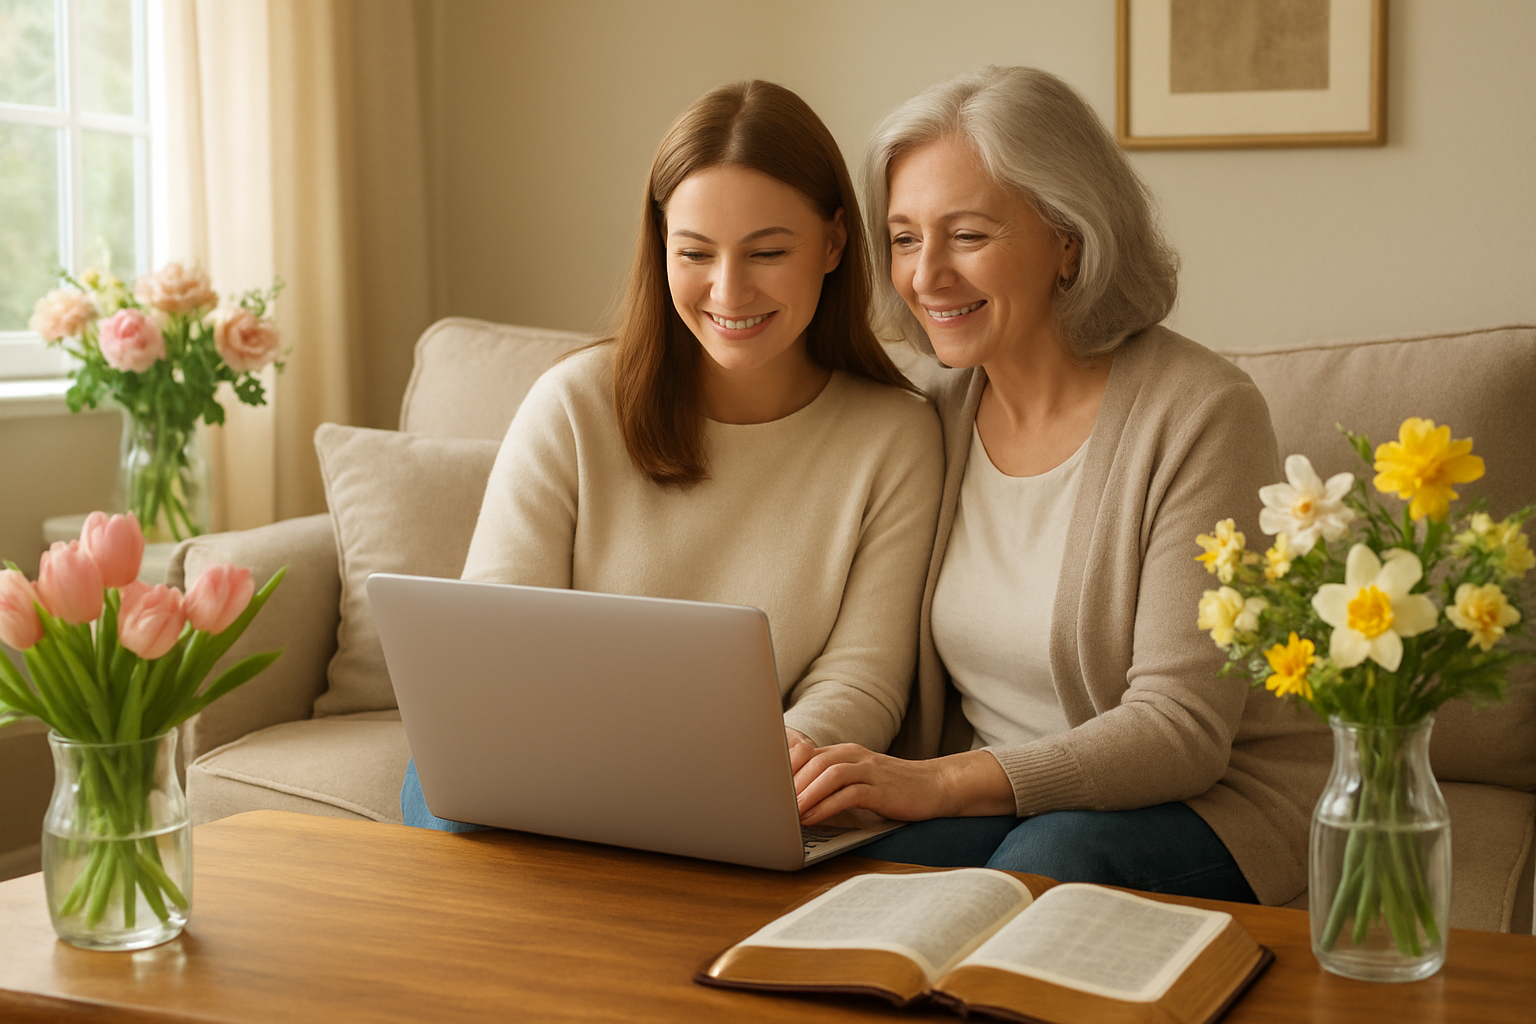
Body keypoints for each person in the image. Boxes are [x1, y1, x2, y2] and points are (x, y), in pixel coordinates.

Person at [791, 66, 1328, 906]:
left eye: (967, 235)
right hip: (997, 803)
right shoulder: (927, 409)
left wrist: (939, 783)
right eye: (903, 238)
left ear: (1068, 240)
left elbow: (1180, 731)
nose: (925, 275)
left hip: (1209, 803)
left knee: (1051, 854)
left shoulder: (1201, 413)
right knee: (846, 868)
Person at [402, 80, 944, 830]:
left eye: (767, 251)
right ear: (661, 246)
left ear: (834, 243)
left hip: (751, 782)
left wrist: (769, 762)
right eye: (695, 252)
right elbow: (495, 638)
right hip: (546, 761)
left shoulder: (896, 436)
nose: (729, 290)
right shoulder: (574, 403)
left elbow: (864, 679)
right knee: (448, 805)